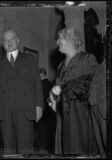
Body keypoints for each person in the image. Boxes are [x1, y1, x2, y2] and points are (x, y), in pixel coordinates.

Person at [0, 29, 44, 155]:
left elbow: (37, 83)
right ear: (3, 44)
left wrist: (39, 106)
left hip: (25, 110)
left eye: (12, 39)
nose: (9, 42)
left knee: (25, 148)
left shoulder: (30, 59)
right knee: (8, 148)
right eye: (5, 40)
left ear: (18, 40)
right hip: (4, 111)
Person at [49, 27, 99, 155]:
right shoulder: (60, 66)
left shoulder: (87, 59)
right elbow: (57, 89)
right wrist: (53, 99)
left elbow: (95, 83)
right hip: (62, 117)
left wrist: (65, 88)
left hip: (80, 116)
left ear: (69, 40)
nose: (56, 42)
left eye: (59, 38)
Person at [34, 68, 54, 153]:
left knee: (41, 134)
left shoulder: (42, 84)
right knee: (46, 134)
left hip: (43, 113)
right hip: (49, 114)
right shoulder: (49, 83)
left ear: (41, 74)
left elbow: (42, 98)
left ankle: (42, 151)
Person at [89, 59, 107, 158]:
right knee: (101, 145)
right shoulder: (102, 63)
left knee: (106, 141)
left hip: (104, 107)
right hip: (94, 107)